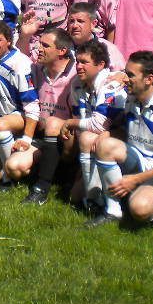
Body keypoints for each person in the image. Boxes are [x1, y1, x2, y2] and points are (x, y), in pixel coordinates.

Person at [90, 51, 153, 228]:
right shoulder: (132, 98)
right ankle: (113, 211)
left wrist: (136, 179)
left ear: (149, 79)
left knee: (139, 209)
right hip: (143, 160)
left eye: (130, 75)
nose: (125, 79)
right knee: (105, 144)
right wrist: (106, 135)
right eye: (125, 73)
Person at [4, 28, 79, 196]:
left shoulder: (76, 73)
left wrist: (120, 76)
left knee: (53, 123)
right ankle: (47, 167)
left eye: (45, 45)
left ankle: (42, 188)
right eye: (39, 44)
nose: (39, 48)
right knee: (13, 167)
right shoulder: (37, 68)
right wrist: (25, 34)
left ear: (62, 51)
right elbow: (18, 57)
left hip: (68, 137)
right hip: (41, 135)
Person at [57, 41, 127, 220]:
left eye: (84, 62)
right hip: (96, 138)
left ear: (101, 64)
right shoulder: (77, 83)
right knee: (74, 197)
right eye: (77, 61)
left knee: (88, 137)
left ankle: (98, 201)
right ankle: (93, 197)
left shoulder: (110, 83)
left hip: (124, 136)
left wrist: (71, 123)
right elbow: (82, 121)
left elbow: (99, 125)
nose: (78, 66)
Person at [0, 20, 40, 196]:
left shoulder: (20, 64)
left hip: (18, 115)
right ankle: (9, 174)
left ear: (9, 41)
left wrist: (27, 138)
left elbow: (32, 105)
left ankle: (13, 177)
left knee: (6, 174)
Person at [63, 2, 125, 70]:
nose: (75, 25)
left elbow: (121, 74)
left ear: (93, 24)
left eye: (80, 21)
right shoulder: (61, 48)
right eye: (71, 21)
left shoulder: (110, 50)